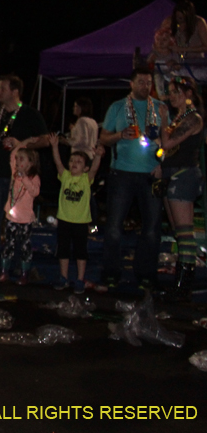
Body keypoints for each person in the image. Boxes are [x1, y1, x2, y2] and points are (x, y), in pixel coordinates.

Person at [0, 75, 48, 273]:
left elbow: (45, 140)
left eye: (2, 88)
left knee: (19, 221)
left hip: (21, 178)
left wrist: (23, 143)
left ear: (15, 91)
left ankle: (18, 263)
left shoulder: (30, 115)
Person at [99, 67, 166, 289]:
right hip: (122, 173)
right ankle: (111, 271)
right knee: (114, 226)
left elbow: (169, 141)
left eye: (148, 83)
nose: (145, 86)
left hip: (151, 174)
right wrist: (120, 134)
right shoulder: (118, 107)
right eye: (141, 82)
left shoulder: (159, 108)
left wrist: (162, 163)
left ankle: (146, 273)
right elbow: (104, 138)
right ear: (131, 83)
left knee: (152, 226)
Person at [156, 76, 204, 300]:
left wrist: (164, 120)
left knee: (185, 232)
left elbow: (167, 143)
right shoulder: (181, 117)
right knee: (178, 230)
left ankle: (184, 285)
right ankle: (180, 281)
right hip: (170, 174)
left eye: (176, 92)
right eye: (171, 92)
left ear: (188, 94)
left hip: (183, 176)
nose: (172, 96)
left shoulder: (193, 118)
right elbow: (163, 149)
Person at [49, 133, 104, 293]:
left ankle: (80, 279)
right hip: (64, 220)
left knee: (81, 251)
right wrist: (54, 146)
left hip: (80, 222)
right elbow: (57, 162)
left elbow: (94, 168)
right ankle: (63, 277)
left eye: (79, 162)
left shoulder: (86, 179)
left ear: (85, 168)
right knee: (63, 250)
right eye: (72, 161)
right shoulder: (65, 176)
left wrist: (98, 156)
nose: (74, 163)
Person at [0, 142, 41, 285]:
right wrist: (21, 143)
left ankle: (24, 274)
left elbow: (35, 192)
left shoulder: (34, 178)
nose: (18, 161)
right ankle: (4, 272)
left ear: (30, 163)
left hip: (26, 219)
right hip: (12, 217)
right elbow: (12, 156)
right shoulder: (14, 174)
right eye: (18, 159)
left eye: (22, 159)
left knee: (25, 246)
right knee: (9, 244)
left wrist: (25, 178)